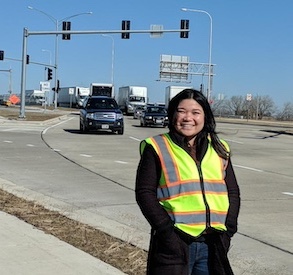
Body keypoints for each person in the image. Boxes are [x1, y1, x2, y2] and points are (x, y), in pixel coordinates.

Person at [135, 89, 240, 275]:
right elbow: (145, 193)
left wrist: (229, 230)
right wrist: (167, 232)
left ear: (205, 117)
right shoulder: (157, 147)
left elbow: (232, 192)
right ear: (172, 114)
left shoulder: (219, 148)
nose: (187, 117)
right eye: (181, 111)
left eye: (195, 112)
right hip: (175, 243)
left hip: (212, 243)